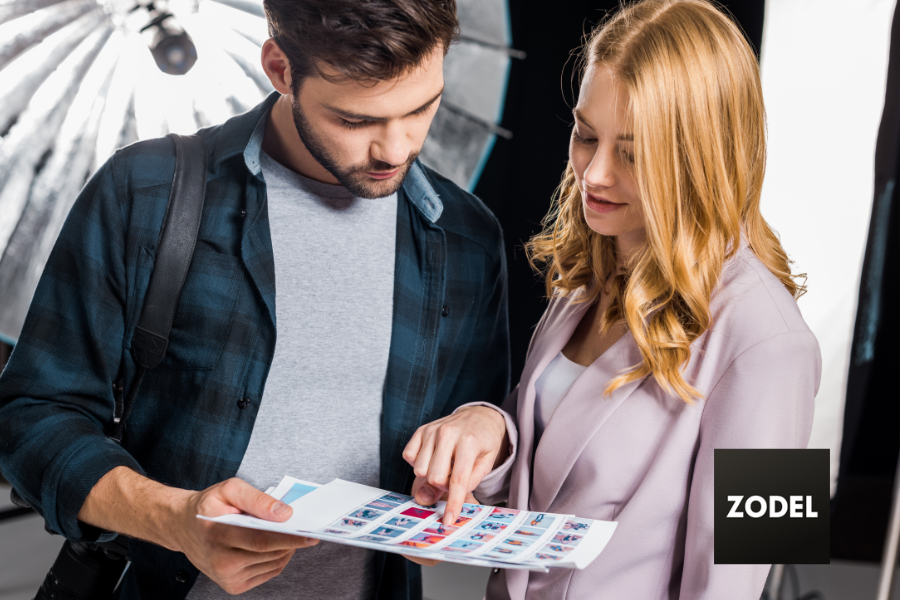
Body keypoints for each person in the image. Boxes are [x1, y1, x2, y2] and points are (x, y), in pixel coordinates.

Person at [0, 1, 510, 598]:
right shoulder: (145, 192)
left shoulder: (467, 236)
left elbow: (476, 443)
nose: (395, 149)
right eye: (355, 121)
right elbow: (29, 417)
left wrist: (482, 437)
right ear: (281, 68)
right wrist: (174, 519)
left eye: (422, 107)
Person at [402, 0, 821, 598]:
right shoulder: (589, 271)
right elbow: (554, 455)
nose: (593, 175)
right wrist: (489, 430)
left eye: (631, 151)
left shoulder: (775, 343)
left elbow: (756, 566)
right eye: (585, 135)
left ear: (701, 157)